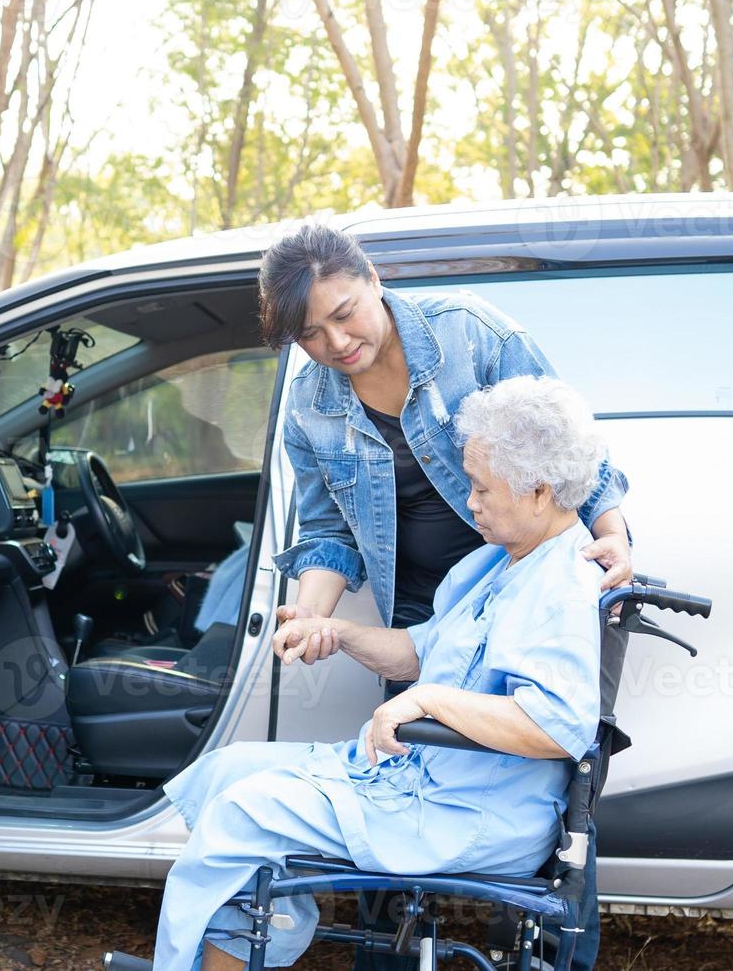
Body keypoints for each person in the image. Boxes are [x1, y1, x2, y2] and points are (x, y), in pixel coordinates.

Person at [151, 375, 610, 970]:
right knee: (227, 771)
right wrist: (339, 633)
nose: (469, 503)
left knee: (245, 813)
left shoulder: (561, 583)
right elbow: (422, 651)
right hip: (422, 782)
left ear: (541, 491)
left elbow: (557, 726)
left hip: (467, 814)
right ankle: (244, 947)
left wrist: (428, 703)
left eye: (481, 489)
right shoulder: (506, 562)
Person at [261, 222, 626, 968]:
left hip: (520, 580)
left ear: (374, 278)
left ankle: (547, 948)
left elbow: (570, 443)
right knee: (401, 773)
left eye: (344, 312)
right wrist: (311, 613)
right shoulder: (310, 405)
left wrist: (613, 533)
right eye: (309, 333)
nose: (335, 342)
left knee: (552, 778)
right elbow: (327, 531)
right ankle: (392, 954)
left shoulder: (474, 335)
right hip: (424, 607)